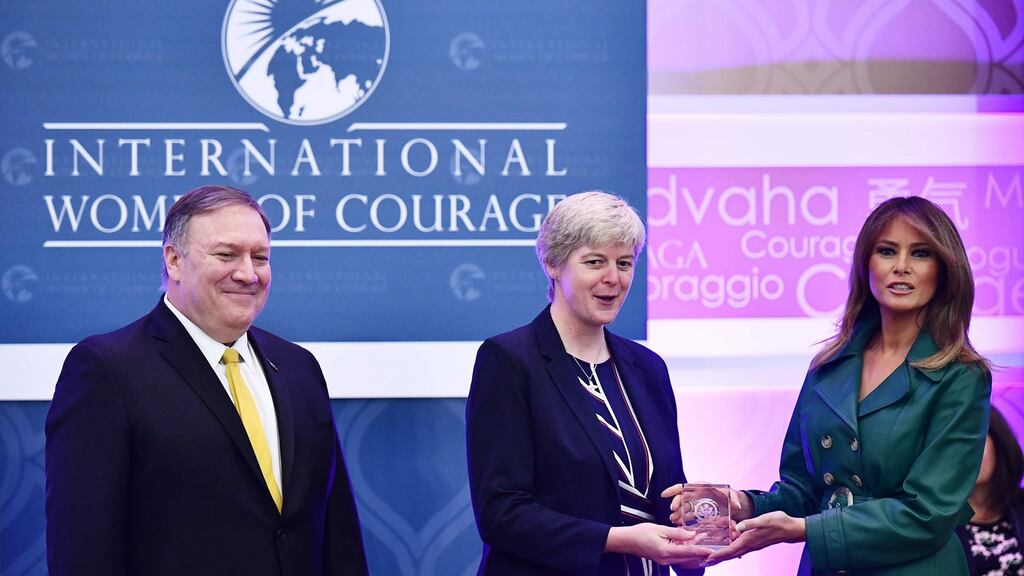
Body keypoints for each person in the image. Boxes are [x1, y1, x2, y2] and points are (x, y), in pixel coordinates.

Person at [45, 185, 368, 576]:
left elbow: (337, 530)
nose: (248, 273)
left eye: (260, 257)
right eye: (226, 254)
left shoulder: (299, 367)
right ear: (174, 260)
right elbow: (83, 547)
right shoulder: (107, 370)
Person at [665, 196, 992, 575]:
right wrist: (741, 505)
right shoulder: (828, 366)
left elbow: (928, 514)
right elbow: (804, 491)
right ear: (866, 264)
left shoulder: (962, 376)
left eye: (920, 254)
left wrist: (806, 530)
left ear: (944, 269)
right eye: (887, 251)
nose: (901, 267)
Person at [466, 191, 711, 575]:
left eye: (624, 263)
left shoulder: (648, 368)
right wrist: (616, 539)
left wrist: (699, 534)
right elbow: (502, 513)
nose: (613, 278)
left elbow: (668, 493)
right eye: (595, 262)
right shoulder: (509, 360)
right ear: (552, 263)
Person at [955, 405, 1024, 575]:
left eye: (976, 440)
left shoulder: (1020, 504)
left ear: (999, 441)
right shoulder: (938, 518)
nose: (968, 454)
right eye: (958, 445)